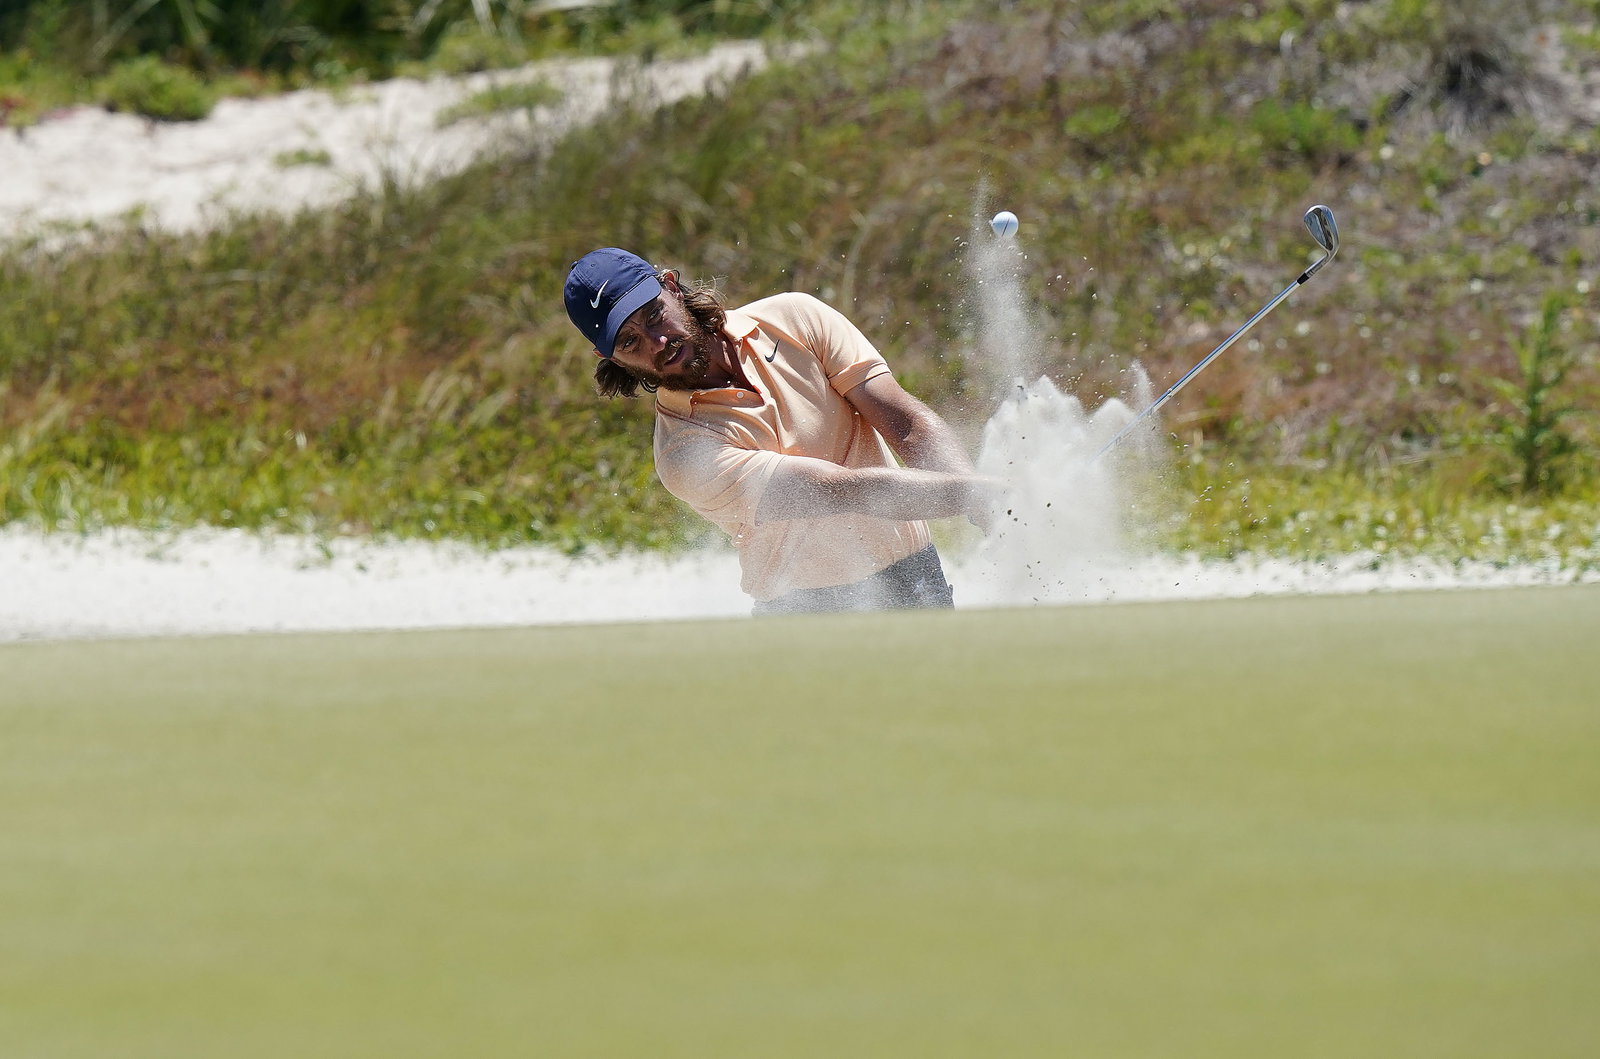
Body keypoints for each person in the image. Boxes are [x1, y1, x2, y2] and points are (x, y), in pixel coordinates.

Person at [563, 247, 994, 615]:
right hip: (807, 615)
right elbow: (837, 490)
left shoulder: (795, 317)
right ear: (609, 356)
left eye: (654, 315)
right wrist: (974, 494)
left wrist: (983, 499)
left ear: (672, 287)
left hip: (917, 578)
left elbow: (906, 424)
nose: (659, 343)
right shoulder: (683, 453)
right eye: (630, 342)